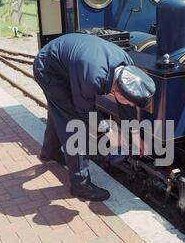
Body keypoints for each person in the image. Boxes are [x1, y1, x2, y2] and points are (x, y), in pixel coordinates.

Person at [33, 33, 156, 202]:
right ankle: (80, 185)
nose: (131, 106)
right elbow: (84, 113)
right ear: (117, 92)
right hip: (49, 69)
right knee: (73, 124)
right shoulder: (92, 78)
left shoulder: (127, 67)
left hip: (70, 64)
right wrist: (108, 131)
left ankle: (49, 152)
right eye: (130, 102)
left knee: (60, 113)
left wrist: (135, 135)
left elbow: (126, 107)